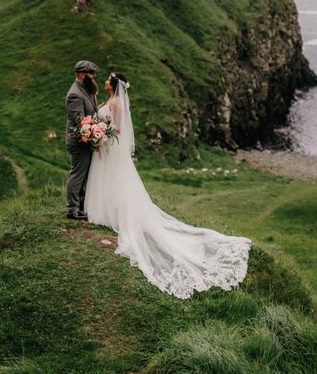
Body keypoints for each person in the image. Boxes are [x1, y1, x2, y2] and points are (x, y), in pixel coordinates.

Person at [84, 71, 252, 299]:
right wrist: (98, 133)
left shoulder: (116, 104)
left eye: (107, 79)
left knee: (117, 182)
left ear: (113, 84)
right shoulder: (110, 100)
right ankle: (107, 211)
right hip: (105, 148)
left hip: (111, 150)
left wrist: (103, 135)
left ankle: (116, 214)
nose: (104, 81)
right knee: (111, 183)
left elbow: (120, 131)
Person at [65, 60, 100, 221]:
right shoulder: (75, 94)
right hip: (78, 141)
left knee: (84, 174)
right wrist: (94, 130)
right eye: (91, 74)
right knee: (78, 174)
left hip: (87, 140)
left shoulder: (87, 89)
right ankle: (72, 209)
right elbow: (79, 120)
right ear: (81, 74)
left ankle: (80, 207)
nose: (93, 76)